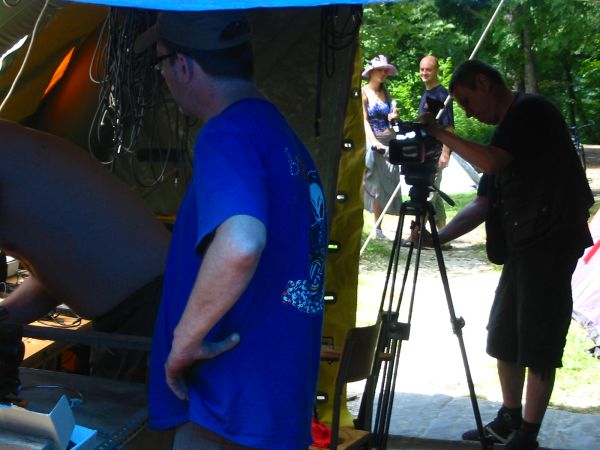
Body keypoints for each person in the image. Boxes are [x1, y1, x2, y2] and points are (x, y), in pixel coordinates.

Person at [134, 10, 328, 450]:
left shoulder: (228, 133)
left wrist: (183, 344)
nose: (163, 76)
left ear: (182, 65)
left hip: (225, 406)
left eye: (161, 64)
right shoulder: (278, 133)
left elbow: (242, 243)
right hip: (271, 400)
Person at [419, 60, 593, 450]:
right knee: (504, 335)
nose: (467, 112)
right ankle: (510, 418)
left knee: (539, 339)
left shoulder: (531, 112)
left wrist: (439, 132)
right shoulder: (505, 131)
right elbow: (483, 202)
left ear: (483, 83)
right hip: (524, 246)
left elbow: (491, 161)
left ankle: (527, 433)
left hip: (550, 243)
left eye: (467, 100)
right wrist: (439, 238)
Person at [0, 119, 170, 382]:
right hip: (138, 312)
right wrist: (5, 316)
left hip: (150, 316)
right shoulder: (18, 148)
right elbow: (63, 266)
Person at [361, 55, 402, 240]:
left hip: (389, 140)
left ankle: (379, 226)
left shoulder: (386, 92)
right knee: (374, 184)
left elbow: (390, 121)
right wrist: (373, 142)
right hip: (373, 142)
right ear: (371, 72)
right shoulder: (363, 92)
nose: (384, 73)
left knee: (387, 184)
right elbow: (364, 120)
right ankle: (371, 226)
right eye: (380, 70)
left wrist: (393, 118)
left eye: (386, 70)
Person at [418, 55, 454, 232]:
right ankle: (443, 234)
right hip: (425, 151)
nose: (424, 73)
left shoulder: (442, 94)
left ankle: (417, 232)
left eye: (429, 69)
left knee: (428, 193)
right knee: (434, 191)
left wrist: (445, 153)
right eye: (422, 69)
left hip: (436, 151)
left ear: (437, 71)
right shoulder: (426, 93)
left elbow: (449, 127)